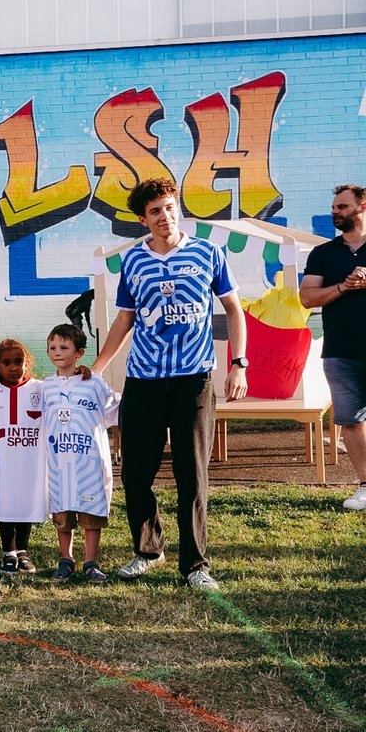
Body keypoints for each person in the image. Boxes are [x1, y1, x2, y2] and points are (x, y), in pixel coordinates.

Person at [92, 177, 247, 591]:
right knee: (136, 473)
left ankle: (196, 565)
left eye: (169, 207)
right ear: (144, 220)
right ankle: (148, 549)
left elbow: (234, 309)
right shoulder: (133, 263)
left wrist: (238, 364)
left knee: (191, 475)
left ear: (178, 209)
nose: (165, 216)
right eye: (155, 211)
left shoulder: (208, 253)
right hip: (143, 380)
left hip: (192, 380)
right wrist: (96, 367)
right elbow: (124, 320)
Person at [300, 184, 366, 511]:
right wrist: (343, 286)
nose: (335, 213)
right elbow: (307, 298)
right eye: (334, 208)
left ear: (362, 207)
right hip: (340, 351)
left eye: (342, 207)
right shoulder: (323, 253)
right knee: (351, 420)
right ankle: (365, 486)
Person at [42, 324, 121, 584]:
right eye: (53, 347)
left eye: (64, 347)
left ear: (79, 353)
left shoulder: (93, 383)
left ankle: (90, 561)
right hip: (58, 464)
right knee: (63, 516)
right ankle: (66, 559)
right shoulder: (46, 386)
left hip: (89, 464)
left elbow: (116, 410)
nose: (57, 352)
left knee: (91, 517)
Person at [0, 338, 47, 575]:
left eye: (18, 362)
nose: (13, 367)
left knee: (25, 501)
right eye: (6, 362)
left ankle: (23, 551)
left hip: (30, 460)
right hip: (2, 461)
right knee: (5, 502)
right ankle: (8, 553)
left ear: (27, 363)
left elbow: (64, 384)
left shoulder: (41, 388)